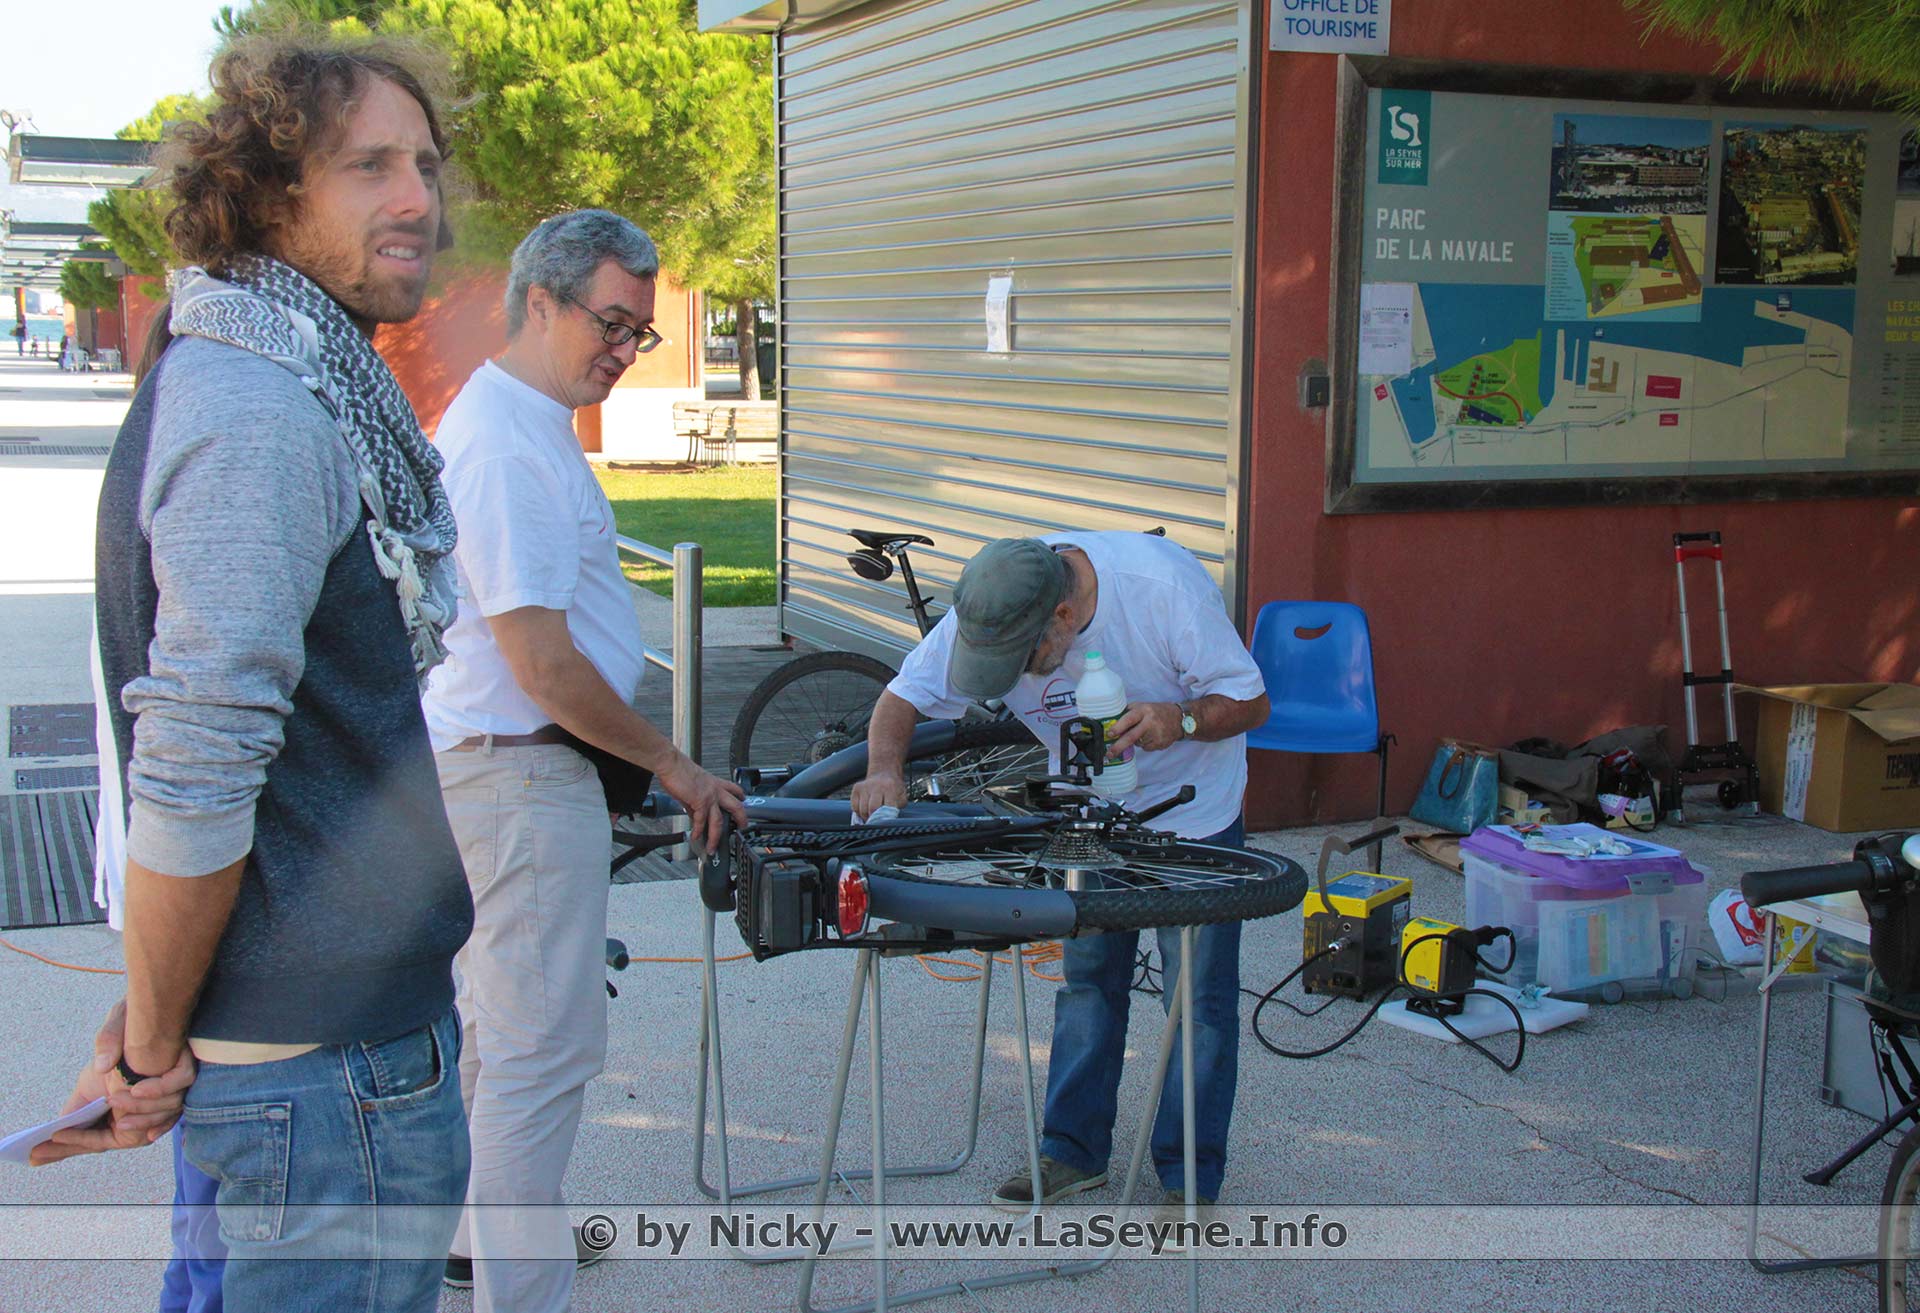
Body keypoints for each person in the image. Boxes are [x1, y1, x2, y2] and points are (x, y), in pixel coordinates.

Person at [51, 34, 475, 1312]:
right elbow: (198, 757)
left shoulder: (263, 367)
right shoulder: (261, 405)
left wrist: (154, 1010)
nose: (416, 197)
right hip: (326, 1076)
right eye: (369, 166)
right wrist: (150, 1037)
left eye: (424, 164)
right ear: (267, 191)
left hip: (302, 1049)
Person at [420, 209, 746, 1312]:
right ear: (539, 302)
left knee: (499, 1039)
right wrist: (677, 766)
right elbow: (543, 662)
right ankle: (519, 1288)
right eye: (611, 322)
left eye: (639, 331)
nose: (625, 348)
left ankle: (476, 1245)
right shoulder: (507, 446)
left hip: (509, 773)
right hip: (519, 774)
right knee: (541, 1054)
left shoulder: (527, 420)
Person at [852, 534, 1270, 1209]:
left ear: (1064, 618)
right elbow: (902, 698)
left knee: (1198, 1000)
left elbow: (1251, 702)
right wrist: (883, 770)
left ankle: (1188, 1178)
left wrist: (1181, 718)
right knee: (1088, 981)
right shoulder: (997, 604)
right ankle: (1072, 1151)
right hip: (1089, 815)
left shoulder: (1161, 590)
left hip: (1195, 812)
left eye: (1023, 660)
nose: (1013, 674)